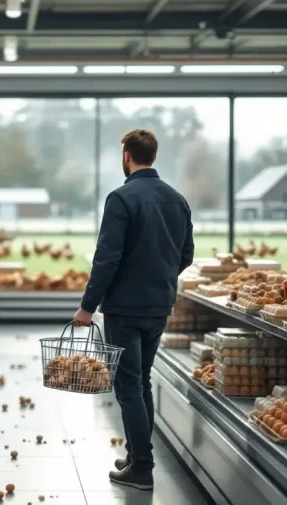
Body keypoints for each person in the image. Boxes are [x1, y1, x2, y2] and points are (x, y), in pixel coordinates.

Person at [73, 129, 194, 491]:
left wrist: (86, 307)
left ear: (127, 155)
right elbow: (185, 254)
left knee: (128, 387)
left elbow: (107, 259)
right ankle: (136, 454)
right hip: (159, 306)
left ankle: (141, 467)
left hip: (125, 309)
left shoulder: (121, 198)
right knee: (141, 382)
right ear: (152, 156)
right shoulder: (178, 200)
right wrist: (158, 279)